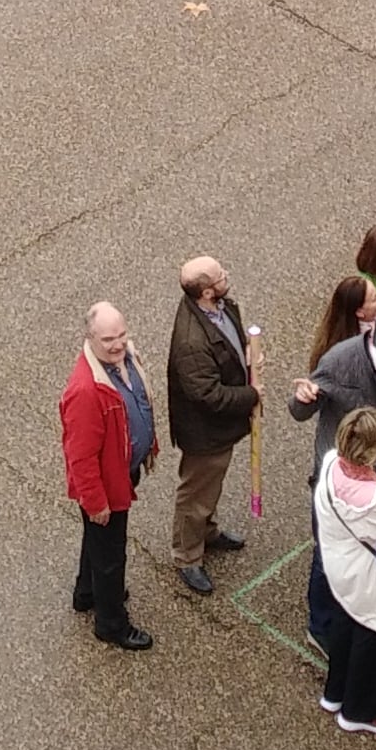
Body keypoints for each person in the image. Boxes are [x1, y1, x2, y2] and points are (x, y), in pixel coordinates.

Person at [61, 300, 158, 649]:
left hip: (120, 472)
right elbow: (81, 457)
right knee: (111, 555)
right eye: (108, 340)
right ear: (89, 338)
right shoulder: (85, 392)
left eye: (121, 335)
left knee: (98, 545)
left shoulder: (120, 360)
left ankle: (87, 593)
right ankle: (111, 623)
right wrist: (95, 502)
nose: (117, 344)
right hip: (105, 486)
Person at [312, 406, 376, 734]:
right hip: (365, 575)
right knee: (370, 637)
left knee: (343, 625)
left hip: (338, 564)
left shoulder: (329, 463)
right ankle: (360, 710)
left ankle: (335, 692)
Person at [164, 257, 262, 596]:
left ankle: (207, 532)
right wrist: (251, 394)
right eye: (221, 276)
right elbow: (208, 394)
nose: (227, 276)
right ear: (206, 291)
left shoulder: (221, 305)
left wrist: (248, 356)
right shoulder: (191, 343)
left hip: (221, 427)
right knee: (196, 494)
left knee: (210, 488)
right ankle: (187, 555)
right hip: (206, 434)